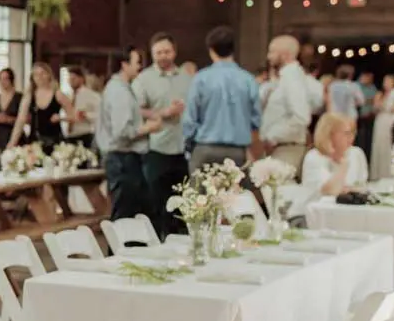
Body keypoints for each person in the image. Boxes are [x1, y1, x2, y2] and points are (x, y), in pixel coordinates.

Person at [132, 33, 191, 237]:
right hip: (156, 147)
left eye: (166, 51)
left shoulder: (186, 78)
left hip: (183, 148)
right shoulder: (143, 79)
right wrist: (163, 113)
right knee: (157, 203)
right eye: (158, 52)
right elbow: (135, 110)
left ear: (174, 52)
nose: (163, 56)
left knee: (182, 203)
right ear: (152, 54)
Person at [182, 26, 261, 172]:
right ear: (233, 49)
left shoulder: (201, 79)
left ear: (211, 49)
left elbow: (190, 119)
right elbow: (256, 120)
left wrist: (189, 144)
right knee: (237, 194)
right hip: (238, 151)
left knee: (199, 194)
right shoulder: (248, 80)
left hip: (205, 148)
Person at [96, 47, 162, 221]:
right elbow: (122, 131)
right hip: (123, 159)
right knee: (125, 215)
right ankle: (120, 249)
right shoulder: (119, 91)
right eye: (137, 62)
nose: (140, 67)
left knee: (134, 213)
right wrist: (150, 127)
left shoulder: (121, 88)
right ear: (124, 64)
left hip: (124, 158)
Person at [259, 34, 312, 176]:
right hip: (279, 148)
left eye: (272, 51)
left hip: (287, 149)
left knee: (281, 193)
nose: (269, 56)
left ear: (285, 54)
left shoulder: (292, 78)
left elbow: (301, 117)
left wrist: (272, 137)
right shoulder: (284, 77)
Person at [300, 113, 369, 207]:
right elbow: (331, 190)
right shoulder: (314, 157)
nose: (351, 138)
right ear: (329, 134)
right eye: (346, 133)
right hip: (312, 216)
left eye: (353, 133)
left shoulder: (356, 154)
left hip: (347, 213)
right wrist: (343, 166)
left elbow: (362, 188)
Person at [10, 62, 75, 153]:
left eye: (42, 73)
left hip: (55, 142)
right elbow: (20, 121)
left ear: (49, 75)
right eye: (36, 74)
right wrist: (11, 144)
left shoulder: (58, 94)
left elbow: (73, 116)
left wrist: (60, 118)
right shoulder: (29, 96)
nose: (40, 77)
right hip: (34, 143)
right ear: (32, 78)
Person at [370, 74, 394, 181]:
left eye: (388, 81)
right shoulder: (380, 94)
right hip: (380, 119)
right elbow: (375, 108)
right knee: (378, 144)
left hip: (391, 120)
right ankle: (377, 174)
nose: (386, 83)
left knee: (388, 145)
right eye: (385, 81)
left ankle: (388, 173)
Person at [65, 66, 100, 148]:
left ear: (81, 79)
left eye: (73, 79)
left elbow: (101, 114)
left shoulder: (91, 95)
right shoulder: (68, 96)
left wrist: (86, 115)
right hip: (69, 136)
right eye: (69, 79)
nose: (71, 82)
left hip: (84, 135)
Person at [356, 71, 378, 161]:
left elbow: (376, 99)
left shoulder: (372, 87)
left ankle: (366, 157)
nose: (370, 80)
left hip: (370, 117)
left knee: (368, 139)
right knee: (359, 138)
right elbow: (358, 101)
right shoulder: (356, 86)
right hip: (359, 117)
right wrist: (369, 100)